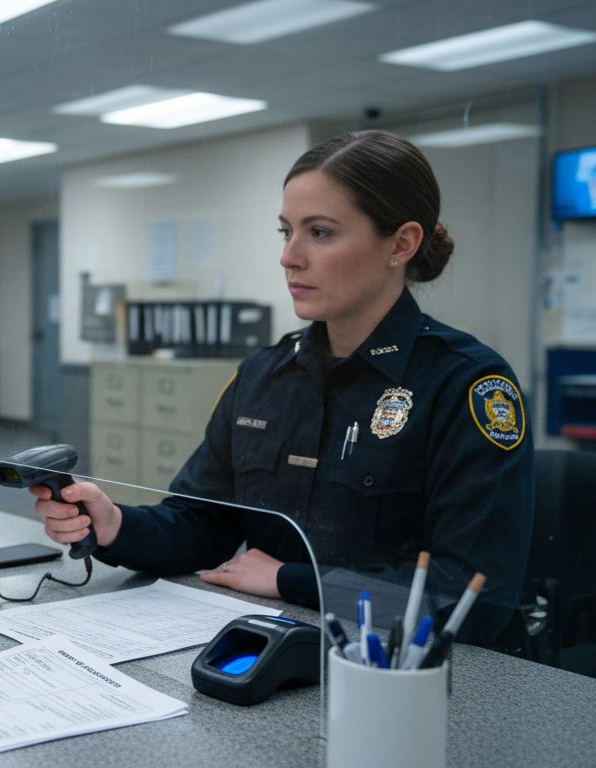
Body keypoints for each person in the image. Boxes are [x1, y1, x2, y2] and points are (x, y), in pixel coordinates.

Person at [32, 130, 532, 644]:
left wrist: (289, 580)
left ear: (401, 244)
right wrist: (115, 524)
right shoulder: (266, 374)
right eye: (286, 232)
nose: (289, 257)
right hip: (277, 644)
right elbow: (203, 523)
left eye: (319, 233)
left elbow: (473, 598)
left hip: (408, 675)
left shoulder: (465, 384)